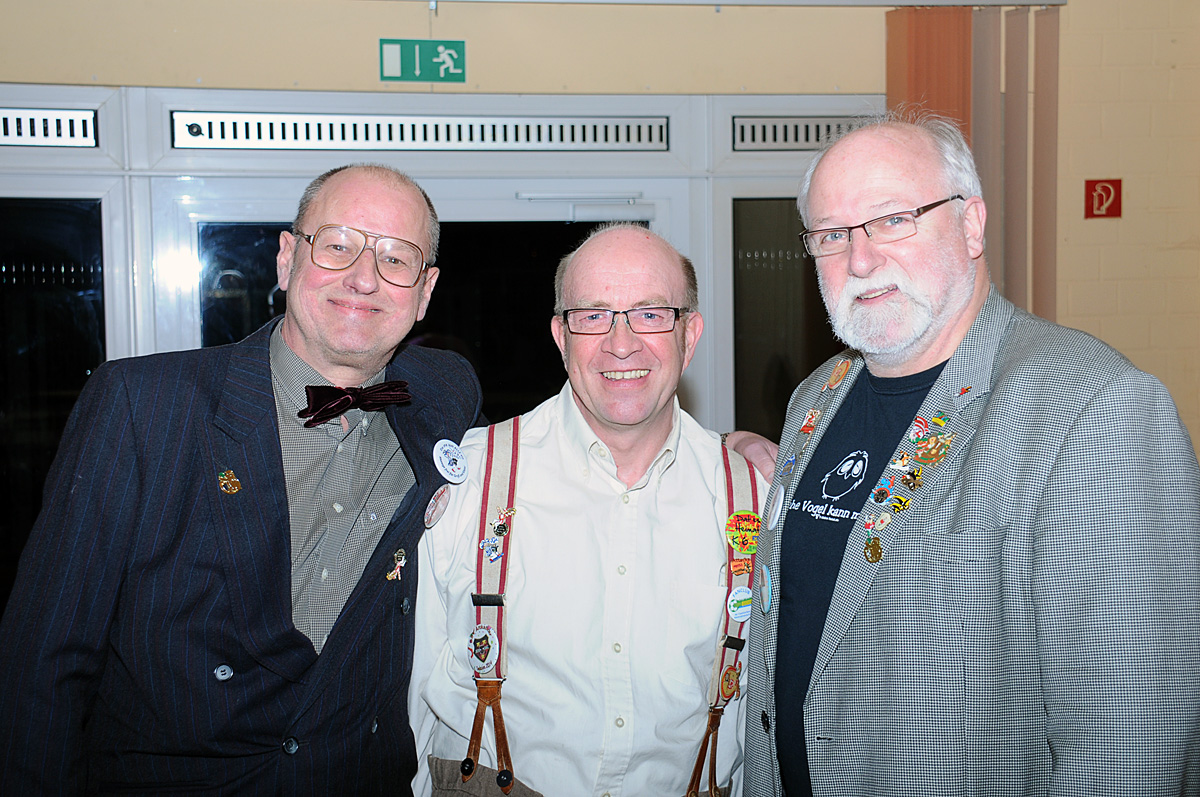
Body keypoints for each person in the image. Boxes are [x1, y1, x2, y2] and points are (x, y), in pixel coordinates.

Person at [742, 111, 1200, 796]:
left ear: (972, 224)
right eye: (832, 235)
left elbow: (1130, 743)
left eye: (892, 219)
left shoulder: (1093, 405)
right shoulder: (817, 396)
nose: (860, 259)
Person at [0, 164, 483, 794]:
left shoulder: (445, 393)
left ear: (424, 291)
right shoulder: (143, 406)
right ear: (287, 258)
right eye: (337, 245)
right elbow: (43, 662)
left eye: (396, 258)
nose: (364, 278)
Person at [410, 223, 767, 797]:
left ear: (690, 335)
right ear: (561, 336)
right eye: (593, 315)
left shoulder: (752, 496)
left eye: (650, 314)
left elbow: (759, 723)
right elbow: (415, 698)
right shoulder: (472, 478)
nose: (621, 343)